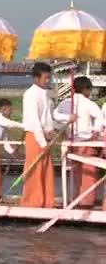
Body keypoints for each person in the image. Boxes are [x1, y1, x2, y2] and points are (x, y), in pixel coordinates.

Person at [21, 62, 75, 208]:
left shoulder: (46, 95)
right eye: (45, 78)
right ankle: (31, 203)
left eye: (49, 77)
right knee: (34, 170)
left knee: (46, 170)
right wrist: (42, 142)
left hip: (45, 137)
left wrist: (67, 118)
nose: (48, 81)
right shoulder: (30, 95)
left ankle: (45, 202)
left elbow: (52, 116)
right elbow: (34, 121)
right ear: (37, 78)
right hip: (35, 137)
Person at [54, 76, 102, 209]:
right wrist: (96, 131)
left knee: (75, 172)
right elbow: (99, 117)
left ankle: (75, 198)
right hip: (86, 142)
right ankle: (86, 201)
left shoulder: (64, 103)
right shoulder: (89, 103)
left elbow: (55, 117)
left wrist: (65, 120)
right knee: (88, 172)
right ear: (86, 90)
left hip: (72, 142)